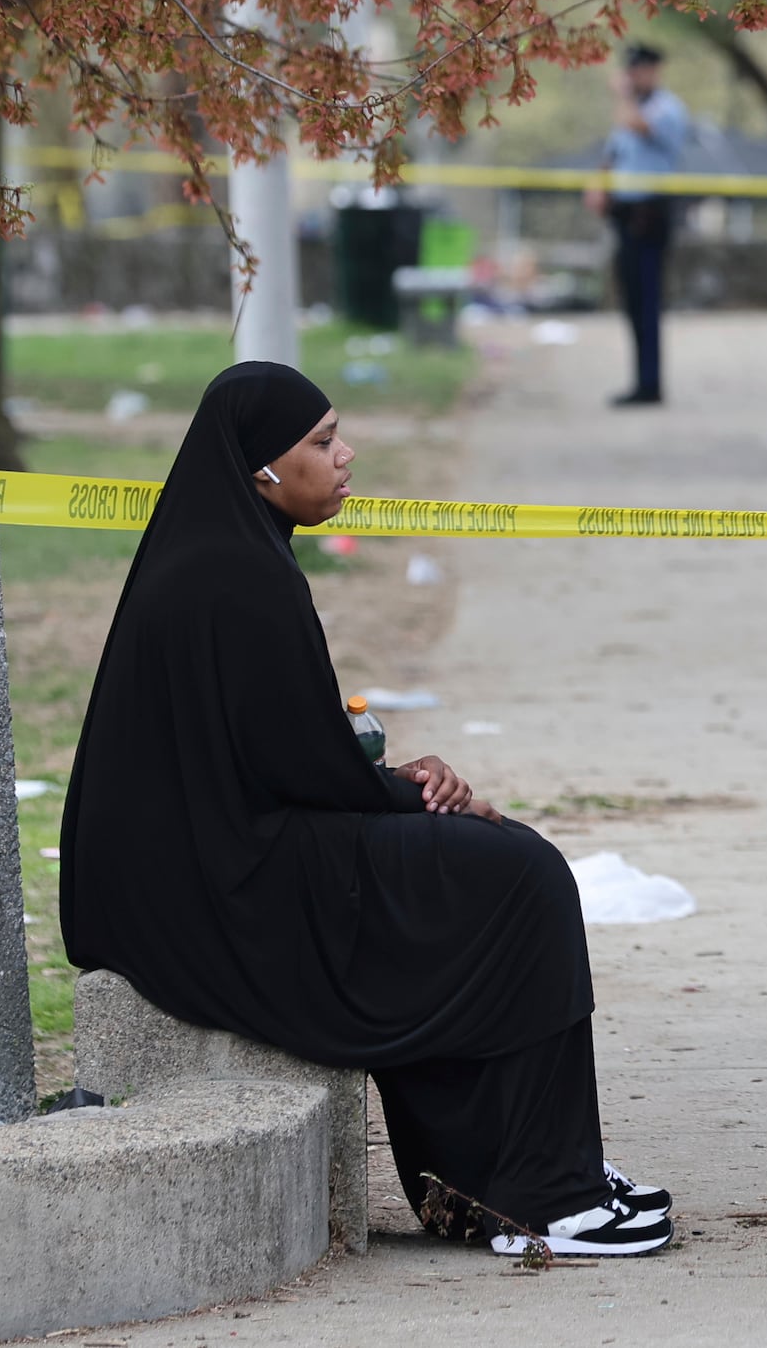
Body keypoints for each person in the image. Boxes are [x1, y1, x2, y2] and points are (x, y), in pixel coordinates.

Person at [60, 363, 674, 1258]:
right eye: (319, 443)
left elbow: (283, 753)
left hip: (208, 869)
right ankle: (548, 1192)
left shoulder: (219, 551)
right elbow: (298, 764)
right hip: (223, 893)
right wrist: (419, 790)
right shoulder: (238, 576)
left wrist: (398, 788)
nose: (344, 457)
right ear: (260, 468)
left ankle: (518, 1172)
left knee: (480, 874)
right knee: (521, 877)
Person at [582, 43, 691, 406]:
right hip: (625, 215)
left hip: (651, 214)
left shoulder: (666, 108)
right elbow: (614, 152)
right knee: (631, 301)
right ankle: (641, 381)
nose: (633, 76)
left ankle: (650, 384)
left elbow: (639, 127)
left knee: (647, 300)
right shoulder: (629, 110)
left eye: (639, 70)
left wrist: (624, 96)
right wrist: (598, 185)